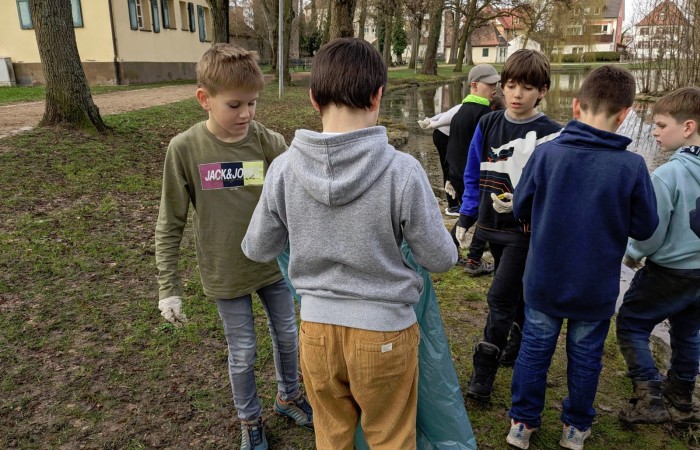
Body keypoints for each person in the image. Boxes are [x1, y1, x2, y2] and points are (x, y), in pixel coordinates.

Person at [241, 38, 457, 450]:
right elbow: (440, 259)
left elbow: (257, 248)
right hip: (386, 334)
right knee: (391, 437)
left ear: (313, 99)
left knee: (332, 434)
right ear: (378, 96)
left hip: (317, 333)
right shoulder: (403, 171)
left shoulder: (283, 169)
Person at [154, 43, 312, 450]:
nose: (246, 114)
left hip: (273, 266)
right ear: (204, 99)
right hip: (225, 271)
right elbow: (170, 222)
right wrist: (168, 288)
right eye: (235, 105)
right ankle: (250, 419)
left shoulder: (267, 141)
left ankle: (289, 396)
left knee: (288, 336)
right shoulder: (184, 149)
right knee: (242, 351)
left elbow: (299, 191)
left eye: (253, 103)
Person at [507, 65, 658, 450]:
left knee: (534, 350)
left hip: (544, 278)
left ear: (576, 106)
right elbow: (645, 227)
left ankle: (522, 423)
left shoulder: (546, 154)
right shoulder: (632, 166)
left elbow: (520, 207)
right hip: (595, 285)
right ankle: (575, 428)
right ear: (625, 114)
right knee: (587, 356)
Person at [455, 49, 562, 404]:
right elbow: (473, 171)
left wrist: (528, 206)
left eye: (527, 88)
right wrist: (467, 216)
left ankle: (483, 368)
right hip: (490, 226)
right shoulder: (487, 123)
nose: (517, 94)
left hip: (523, 231)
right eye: (511, 85)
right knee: (512, 289)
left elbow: (554, 188)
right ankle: (516, 337)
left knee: (499, 295)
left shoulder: (552, 134)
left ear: (542, 90)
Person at [616, 86, 700, 425]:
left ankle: (649, 397)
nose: (654, 132)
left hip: (668, 272)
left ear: (688, 127)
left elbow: (651, 232)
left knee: (631, 322)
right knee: (688, 332)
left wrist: (632, 253)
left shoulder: (668, 174)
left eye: (662, 125)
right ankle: (681, 397)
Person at [417, 104, 462, 215]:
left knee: (453, 167)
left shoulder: (474, 105)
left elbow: (445, 114)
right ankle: (453, 206)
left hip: (445, 134)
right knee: (449, 168)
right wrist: (433, 122)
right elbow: (448, 116)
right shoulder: (473, 107)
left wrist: (432, 120)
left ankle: (458, 203)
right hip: (443, 135)